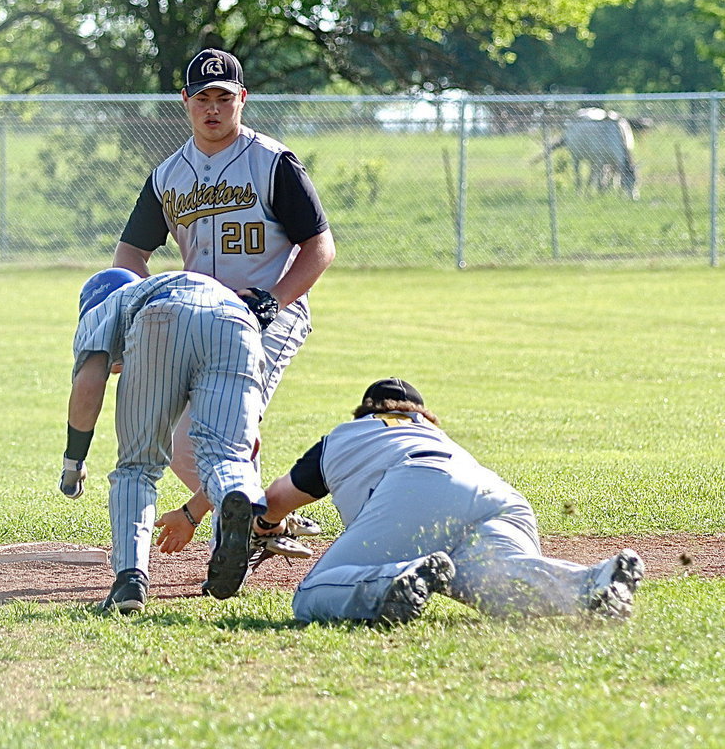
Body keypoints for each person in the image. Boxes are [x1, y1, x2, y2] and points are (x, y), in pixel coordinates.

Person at [161, 377, 646, 625]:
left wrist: (258, 529)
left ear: (365, 412)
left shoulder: (347, 435)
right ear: (421, 414)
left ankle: (393, 580)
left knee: (310, 597)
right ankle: (593, 582)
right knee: (491, 582)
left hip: (415, 488)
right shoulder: (439, 434)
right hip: (498, 496)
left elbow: (273, 501)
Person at [112, 48, 336, 495]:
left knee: (214, 431)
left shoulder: (273, 162)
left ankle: (253, 524)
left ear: (242, 99)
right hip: (200, 314)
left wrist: (276, 299)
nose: (212, 108)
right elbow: (130, 254)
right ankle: (260, 523)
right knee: (181, 444)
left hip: (269, 310)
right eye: (202, 98)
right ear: (185, 100)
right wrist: (132, 315)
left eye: (223, 97)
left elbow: (320, 246)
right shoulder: (168, 175)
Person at [58, 268, 308, 614]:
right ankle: (235, 497)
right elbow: (252, 444)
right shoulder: (181, 287)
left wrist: (74, 462)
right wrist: (194, 511)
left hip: (160, 318)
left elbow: (88, 385)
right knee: (228, 458)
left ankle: (130, 580)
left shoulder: (107, 305)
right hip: (238, 317)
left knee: (138, 467)